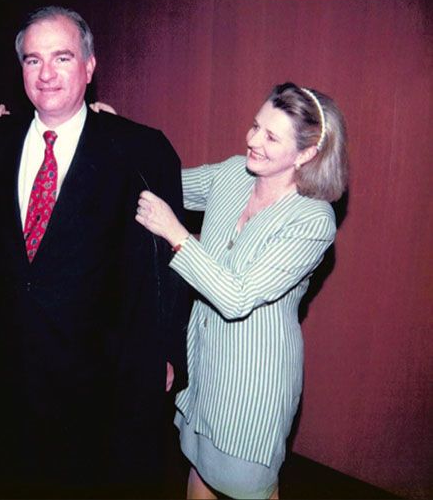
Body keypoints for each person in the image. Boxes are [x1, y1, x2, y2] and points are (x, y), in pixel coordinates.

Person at [0, 5, 190, 498]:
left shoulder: (142, 148)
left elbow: (164, 264)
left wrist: (165, 351)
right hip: (8, 372)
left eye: (62, 57)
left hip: (103, 382)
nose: (46, 74)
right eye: (33, 60)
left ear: (90, 67)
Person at [135, 82, 349, 499]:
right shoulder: (234, 173)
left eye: (271, 137)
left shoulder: (312, 220)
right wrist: (113, 134)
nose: (252, 140)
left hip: (253, 379)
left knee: (248, 487)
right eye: (255, 125)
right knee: (200, 473)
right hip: (204, 361)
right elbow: (161, 182)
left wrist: (176, 234)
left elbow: (236, 297)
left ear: (306, 154)